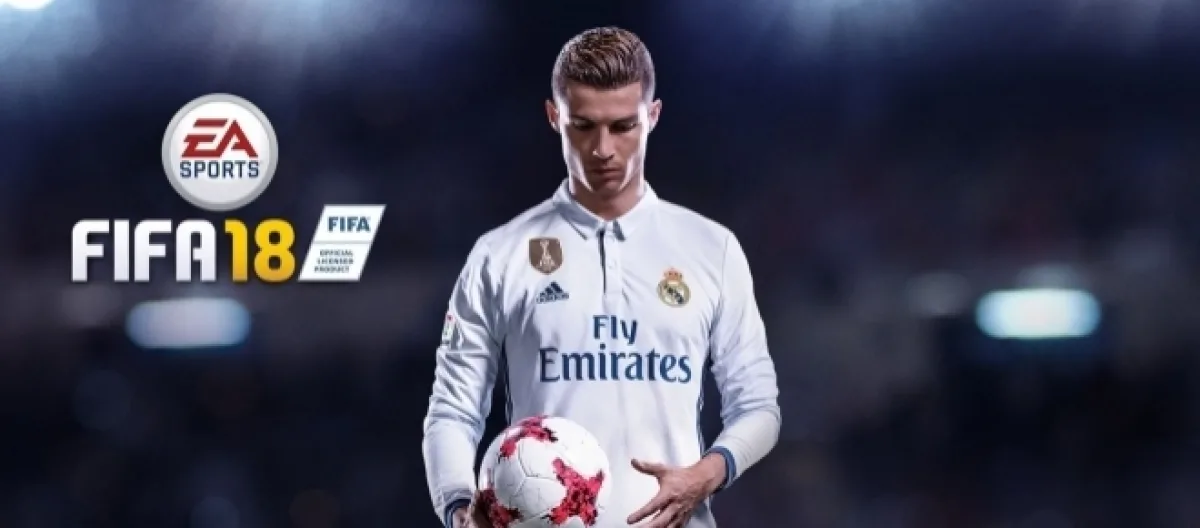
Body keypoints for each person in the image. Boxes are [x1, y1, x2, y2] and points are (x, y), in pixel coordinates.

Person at [422, 26, 781, 528]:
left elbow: (759, 407)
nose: (603, 149)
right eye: (584, 126)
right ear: (554, 117)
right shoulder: (498, 255)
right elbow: (452, 411)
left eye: (623, 126)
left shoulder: (711, 248)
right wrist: (459, 508)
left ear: (653, 116)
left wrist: (707, 473)